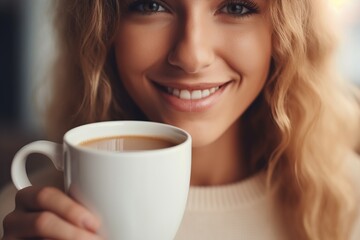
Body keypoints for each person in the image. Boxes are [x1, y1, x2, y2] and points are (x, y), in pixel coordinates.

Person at [1, 0, 360, 239]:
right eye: (151, 4)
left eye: (235, 6)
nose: (191, 55)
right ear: (103, 32)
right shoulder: (25, 219)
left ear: (285, 34)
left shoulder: (350, 205)